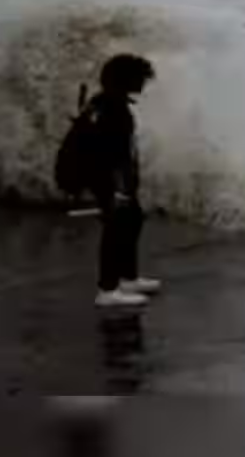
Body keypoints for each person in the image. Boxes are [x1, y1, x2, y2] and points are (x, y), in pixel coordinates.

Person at [89, 53, 160, 308]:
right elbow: (112, 154)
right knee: (115, 229)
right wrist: (119, 189)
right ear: (126, 79)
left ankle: (127, 278)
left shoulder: (106, 103)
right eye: (140, 78)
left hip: (113, 179)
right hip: (110, 181)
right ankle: (107, 290)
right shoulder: (113, 110)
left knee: (132, 221)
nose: (143, 83)